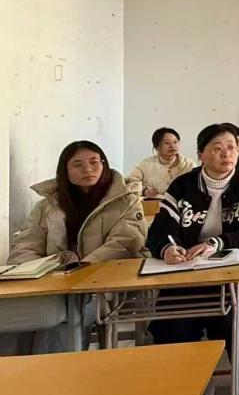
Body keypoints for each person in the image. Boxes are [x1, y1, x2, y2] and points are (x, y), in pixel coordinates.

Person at [146, 123, 239, 395]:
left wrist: (216, 244)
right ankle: (192, 377)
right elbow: (159, 229)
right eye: (217, 148)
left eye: (232, 148)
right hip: (187, 270)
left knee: (232, 316)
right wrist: (167, 248)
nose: (226, 154)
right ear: (201, 154)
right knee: (171, 320)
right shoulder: (182, 186)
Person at [4, 141, 147, 355]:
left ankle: (52, 371)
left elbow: (124, 244)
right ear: (65, 170)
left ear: (104, 164)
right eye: (78, 165)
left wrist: (78, 269)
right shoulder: (47, 205)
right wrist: (37, 272)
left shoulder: (127, 201)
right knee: (14, 318)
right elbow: (26, 243)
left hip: (101, 285)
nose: (87, 169)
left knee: (61, 319)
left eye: (94, 162)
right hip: (51, 282)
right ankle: (12, 372)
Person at [126, 127, 196, 198]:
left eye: (175, 142)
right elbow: (131, 183)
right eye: (167, 143)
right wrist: (145, 191)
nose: (172, 146)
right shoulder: (145, 164)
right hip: (153, 203)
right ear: (157, 146)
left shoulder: (189, 164)